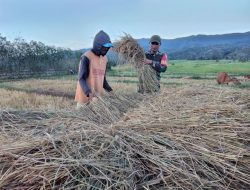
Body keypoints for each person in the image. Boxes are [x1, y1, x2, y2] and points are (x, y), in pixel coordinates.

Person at [75, 30, 113, 107]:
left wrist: (111, 91)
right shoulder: (87, 57)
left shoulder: (105, 59)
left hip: (97, 100)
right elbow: (81, 78)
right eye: (105, 47)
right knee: (82, 118)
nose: (106, 50)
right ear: (98, 46)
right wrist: (88, 93)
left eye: (108, 47)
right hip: (84, 99)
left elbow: (103, 80)